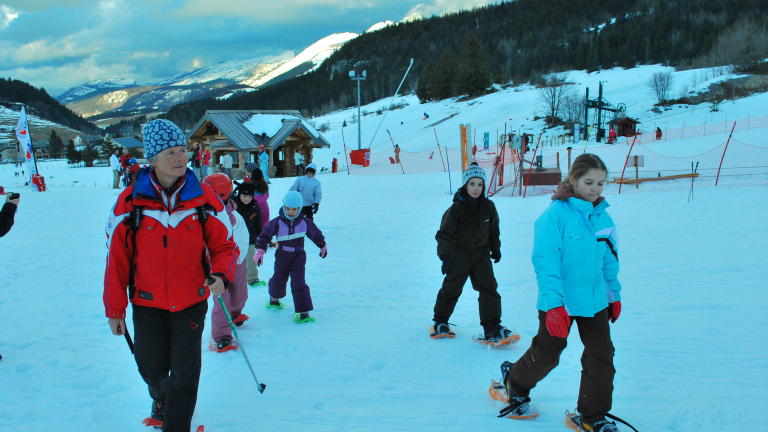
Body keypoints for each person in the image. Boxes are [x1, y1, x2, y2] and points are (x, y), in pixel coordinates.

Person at [103, 119, 238, 432]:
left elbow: (226, 246)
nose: (180, 158)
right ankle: (161, 395)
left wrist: (221, 276)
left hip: (190, 300)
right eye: (170, 153)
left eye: (182, 150)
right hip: (147, 303)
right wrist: (115, 309)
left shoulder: (203, 199)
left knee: (184, 374)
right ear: (152, 160)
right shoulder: (129, 204)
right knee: (150, 367)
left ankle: (176, 424)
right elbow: (116, 261)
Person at [497, 153, 622, 432]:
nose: (596, 189)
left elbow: (609, 260)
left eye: (601, 183)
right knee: (548, 353)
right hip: (560, 302)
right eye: (589, 182)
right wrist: (554, 305)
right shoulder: (556, 214)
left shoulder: (604, 217)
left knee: (602, 355)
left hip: (595, 301)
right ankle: (515, 381)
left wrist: (614, 294)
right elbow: (545, 261)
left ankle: (592, 415)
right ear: (574, 179)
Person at [431, 164, 513, 344]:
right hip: (459, 255)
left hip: (481, 255)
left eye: (480, 184)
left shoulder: (489, 207)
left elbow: (493, 230)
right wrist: (446, 256)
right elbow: (444, 235)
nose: (476, 188)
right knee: (452, 288)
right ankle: (440, 321)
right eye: (472, 184)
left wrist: (496, 248)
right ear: (465, 186)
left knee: (489, 288)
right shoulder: (456, 209)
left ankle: (492, 327)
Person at [253, 190, 327, 323]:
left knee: (299, 282)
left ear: (299, 208)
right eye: (288, 208)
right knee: (279, 278)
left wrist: (322, 245)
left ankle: (303, 311)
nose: (290, 212)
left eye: (294, 209)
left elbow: (315, 234)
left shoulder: (305, 222)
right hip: (282, 255)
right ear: (284, 207)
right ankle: (274, 299)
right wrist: (260, 251)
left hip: (298, 256)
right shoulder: (277, 222)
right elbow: (264, 236)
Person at [203, 173, 252, 353]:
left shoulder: (232, 216)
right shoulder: (202, 214)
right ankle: (221, 336)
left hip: (237, 261)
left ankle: (233, 314)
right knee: (222, 298)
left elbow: (240, 238)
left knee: (240, 295)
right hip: (216, 266)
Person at [232, 182, 263, 287]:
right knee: (234, 261)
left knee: (251, 260)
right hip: (234, 240)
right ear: (239, 194)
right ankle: (233, 279)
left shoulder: (255, 207)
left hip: (250, 239)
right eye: (244, 196)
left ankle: (253, 278)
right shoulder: (233, 206)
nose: (247, 199)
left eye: (250, 196)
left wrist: (261, 236)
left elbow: (258, 223)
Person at [250, 168, 274, 249]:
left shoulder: (251, 185)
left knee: (254, 224)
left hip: (254, 207)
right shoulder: (264, 184)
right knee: (265, 223)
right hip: (265, 207)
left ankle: (256, 240)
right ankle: (268, 240)